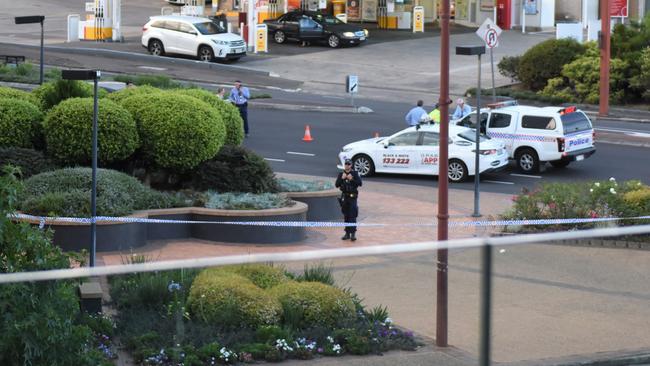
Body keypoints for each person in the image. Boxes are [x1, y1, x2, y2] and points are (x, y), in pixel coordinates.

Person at [335, 159, 362, 241]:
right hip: (345, 197)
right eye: (346, 164)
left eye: (348, 164)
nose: (347, 165)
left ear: (351, 165)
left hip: (352, 197)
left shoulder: (355, 174)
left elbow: (360, 183)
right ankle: (347, 233)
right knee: (346, 215)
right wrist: (342, 179)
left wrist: (352, 179)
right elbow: (337, 185)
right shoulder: (341, 174)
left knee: (352, 215)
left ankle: (353, 233)